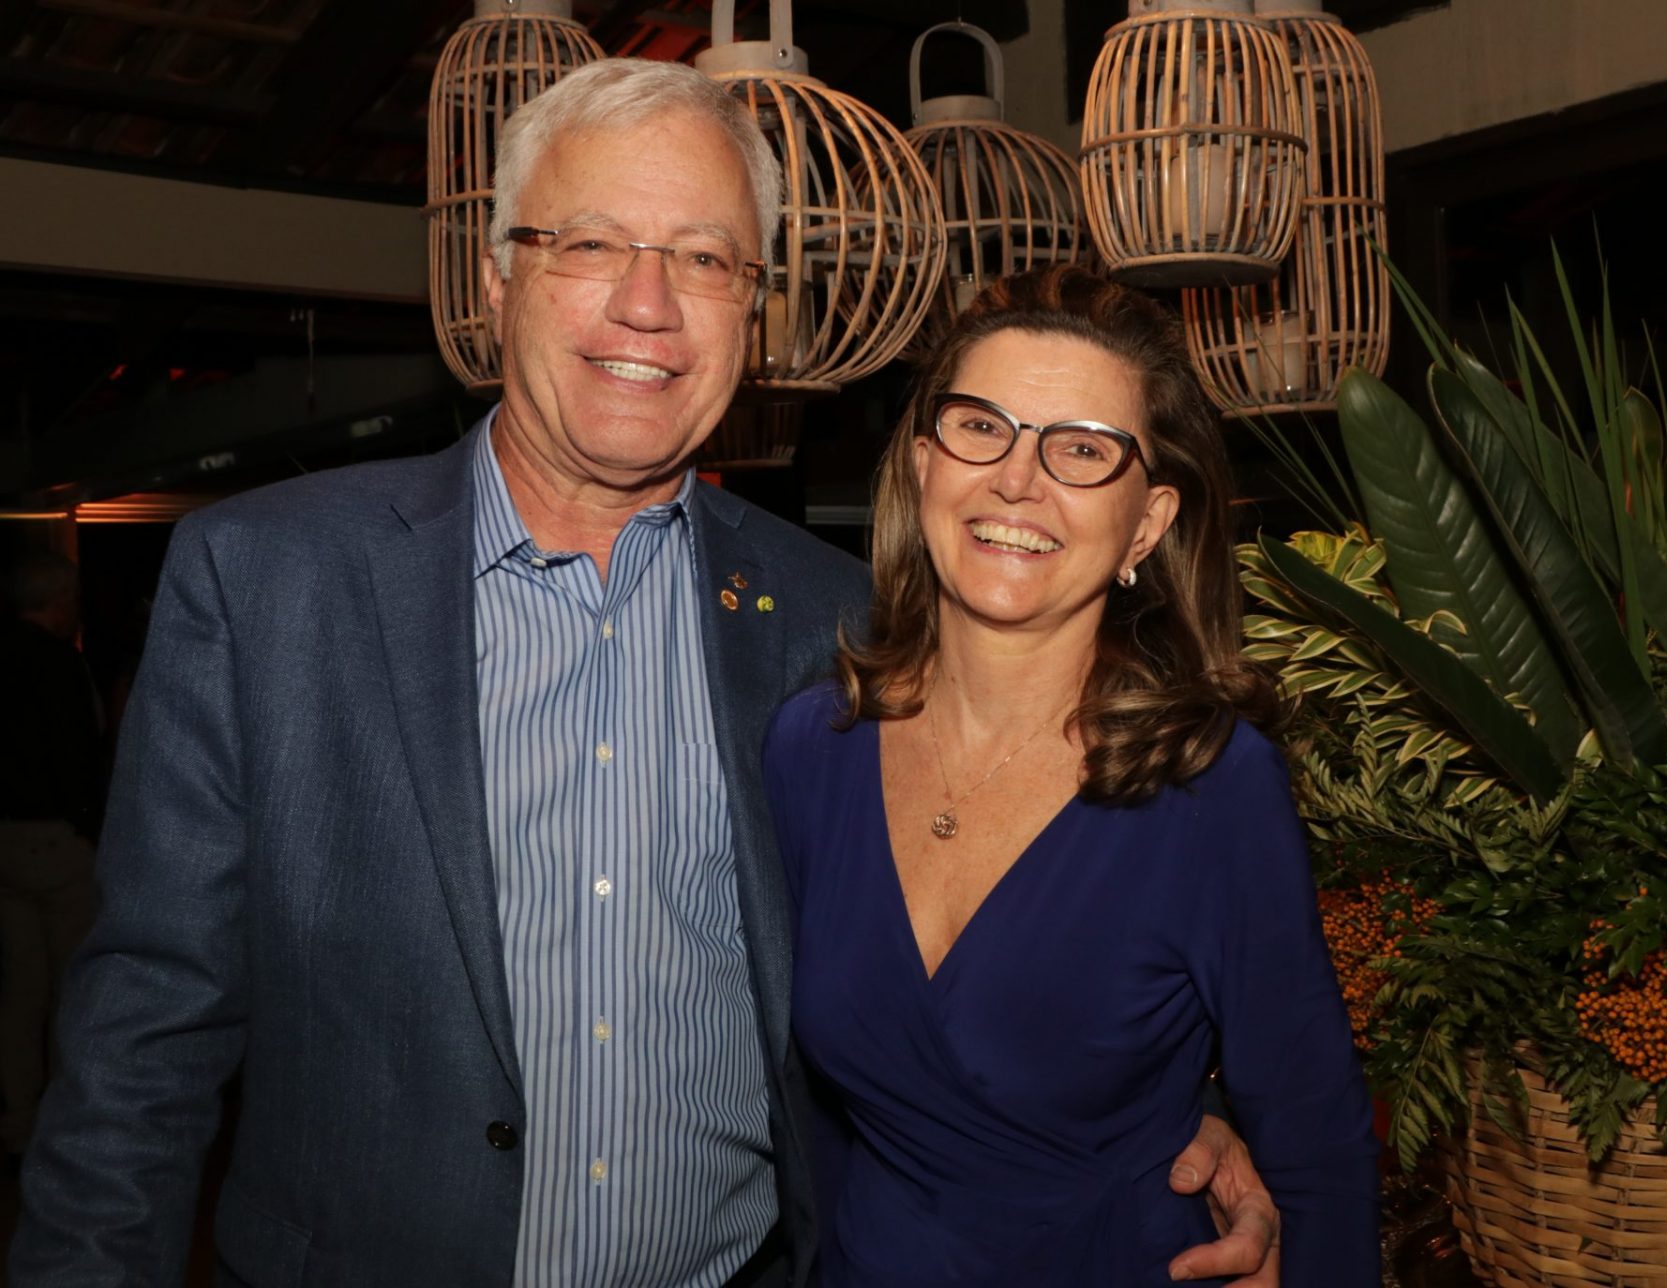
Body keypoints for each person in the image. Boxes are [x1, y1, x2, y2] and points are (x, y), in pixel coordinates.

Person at [11, 60, 1281, 1287]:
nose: (649, 304)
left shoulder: (835, 619)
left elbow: (1000, 927)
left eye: (705, 259)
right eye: (591, 243)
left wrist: (1170, 1113)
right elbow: (145, 1037)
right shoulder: (268, 580)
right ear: (499, 278)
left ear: (752, 312)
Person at [763, 266, 1382, 1286]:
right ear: (923, 467)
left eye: (1083, 449)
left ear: (1147, 523)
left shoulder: (1211, 788)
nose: (1018, 479)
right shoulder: (810, 748)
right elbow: (805, 1120)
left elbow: (1318, 1149)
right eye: (981, 428)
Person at [0, 548, 104, 1167]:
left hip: (5, 842)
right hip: (58, 842)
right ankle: (71, 1131)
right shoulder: (60, 664)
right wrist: (90, 828)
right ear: (59, 599)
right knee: (75, 987)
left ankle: (17, 1123)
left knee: (20, 991)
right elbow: (77, 756)